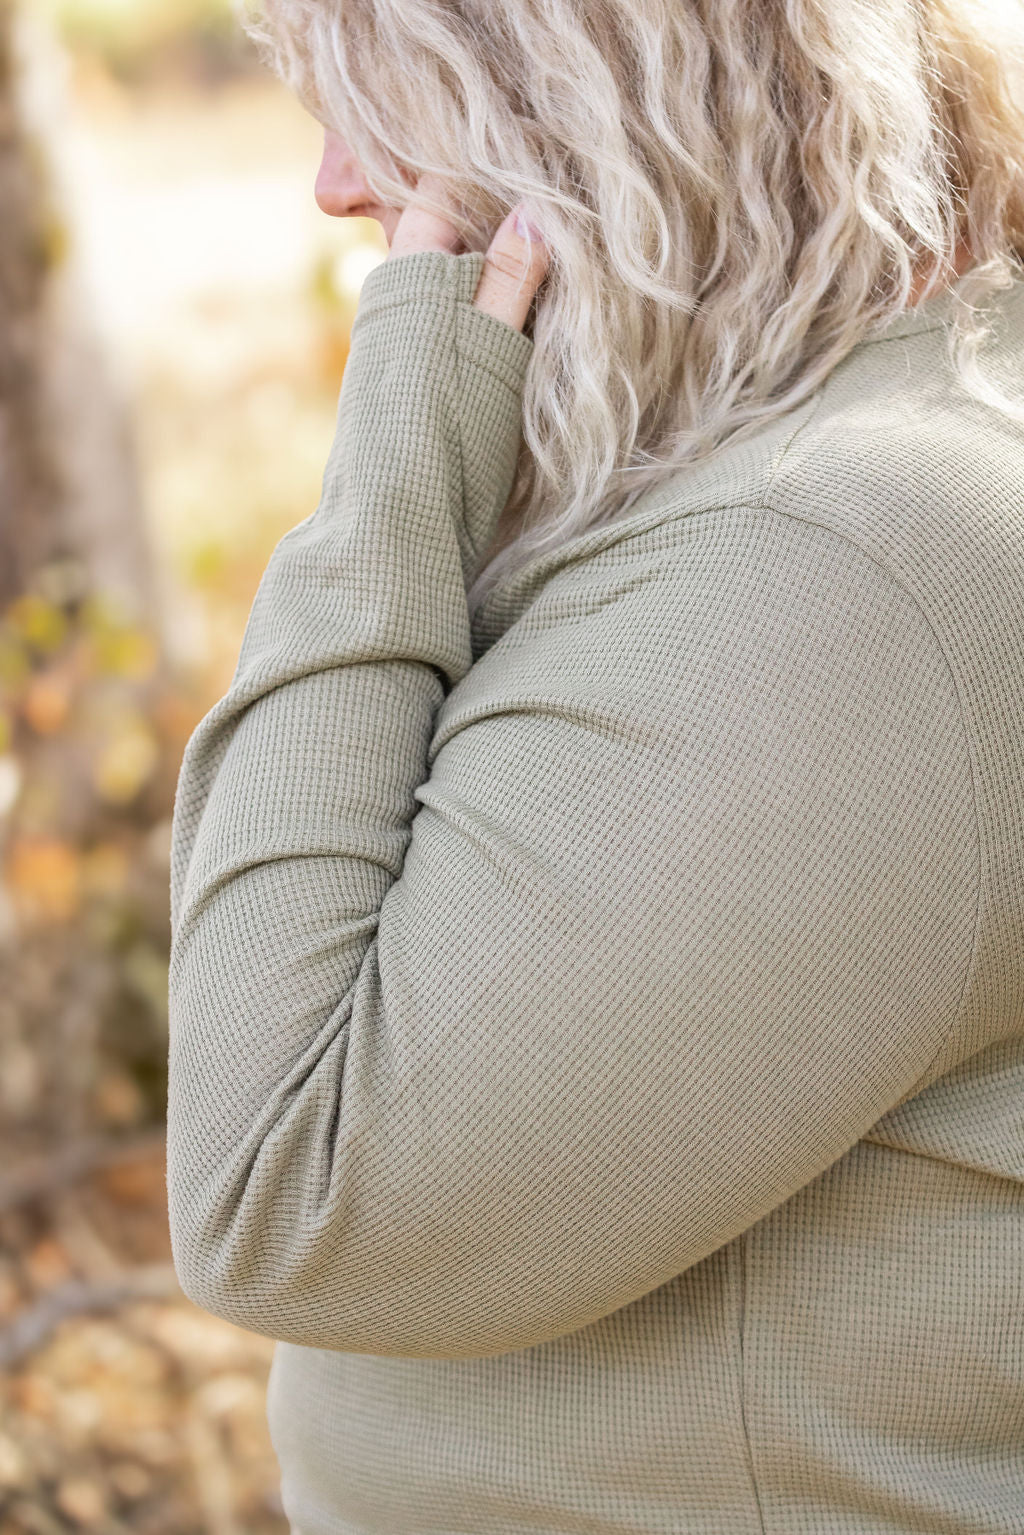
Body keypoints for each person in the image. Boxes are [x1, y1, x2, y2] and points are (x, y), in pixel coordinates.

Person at [166, 1, 1024, 1531]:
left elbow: (277, 1193)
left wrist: (395, 477)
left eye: (382, 104)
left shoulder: (840, 562)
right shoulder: (798, 473)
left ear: (586, 116)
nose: (336, 184)